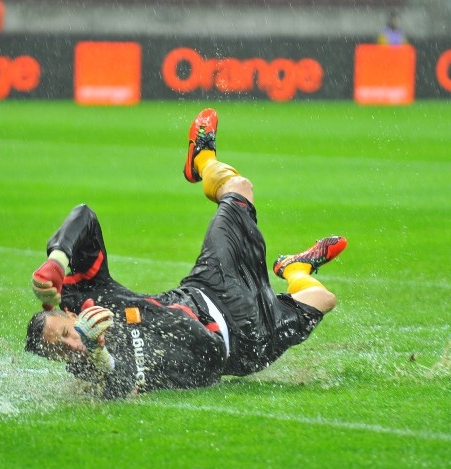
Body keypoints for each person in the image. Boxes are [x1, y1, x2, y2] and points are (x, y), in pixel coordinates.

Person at [24, 109, 347, 399]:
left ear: (69, 315)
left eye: (66, 333)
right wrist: (96, 353)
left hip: (208, 287)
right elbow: (118, 384)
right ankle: (296, 269)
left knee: (241, 188)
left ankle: (202, 161)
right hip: (244, 345)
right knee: (324, 300)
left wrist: (57, 261)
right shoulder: (90, 371)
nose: (71, 344)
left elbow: (84, 216)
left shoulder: (85, 296)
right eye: (61, 351)